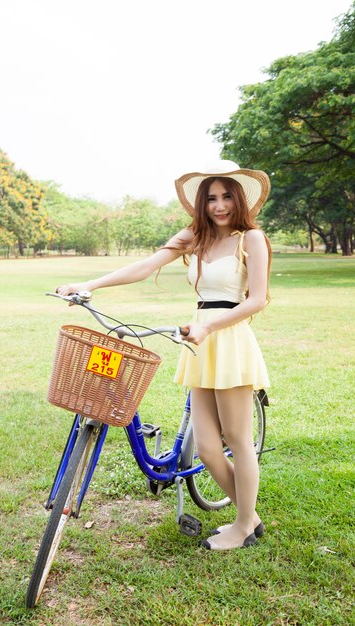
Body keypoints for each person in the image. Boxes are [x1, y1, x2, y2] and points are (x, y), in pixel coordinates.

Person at [56, 160, 271, 551]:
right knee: (206, 447)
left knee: (238, 439)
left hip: (228, 340)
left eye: (226, 197)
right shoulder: (196, 236)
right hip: (198, 339)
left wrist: (210, 327)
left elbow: (256, 300)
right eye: (211, 198)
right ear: (201, 203)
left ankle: (243, 526)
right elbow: (145, 266)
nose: (219, 205)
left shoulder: (250, 239)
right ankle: (249, 517)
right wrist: (90, 284)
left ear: (239, 199)